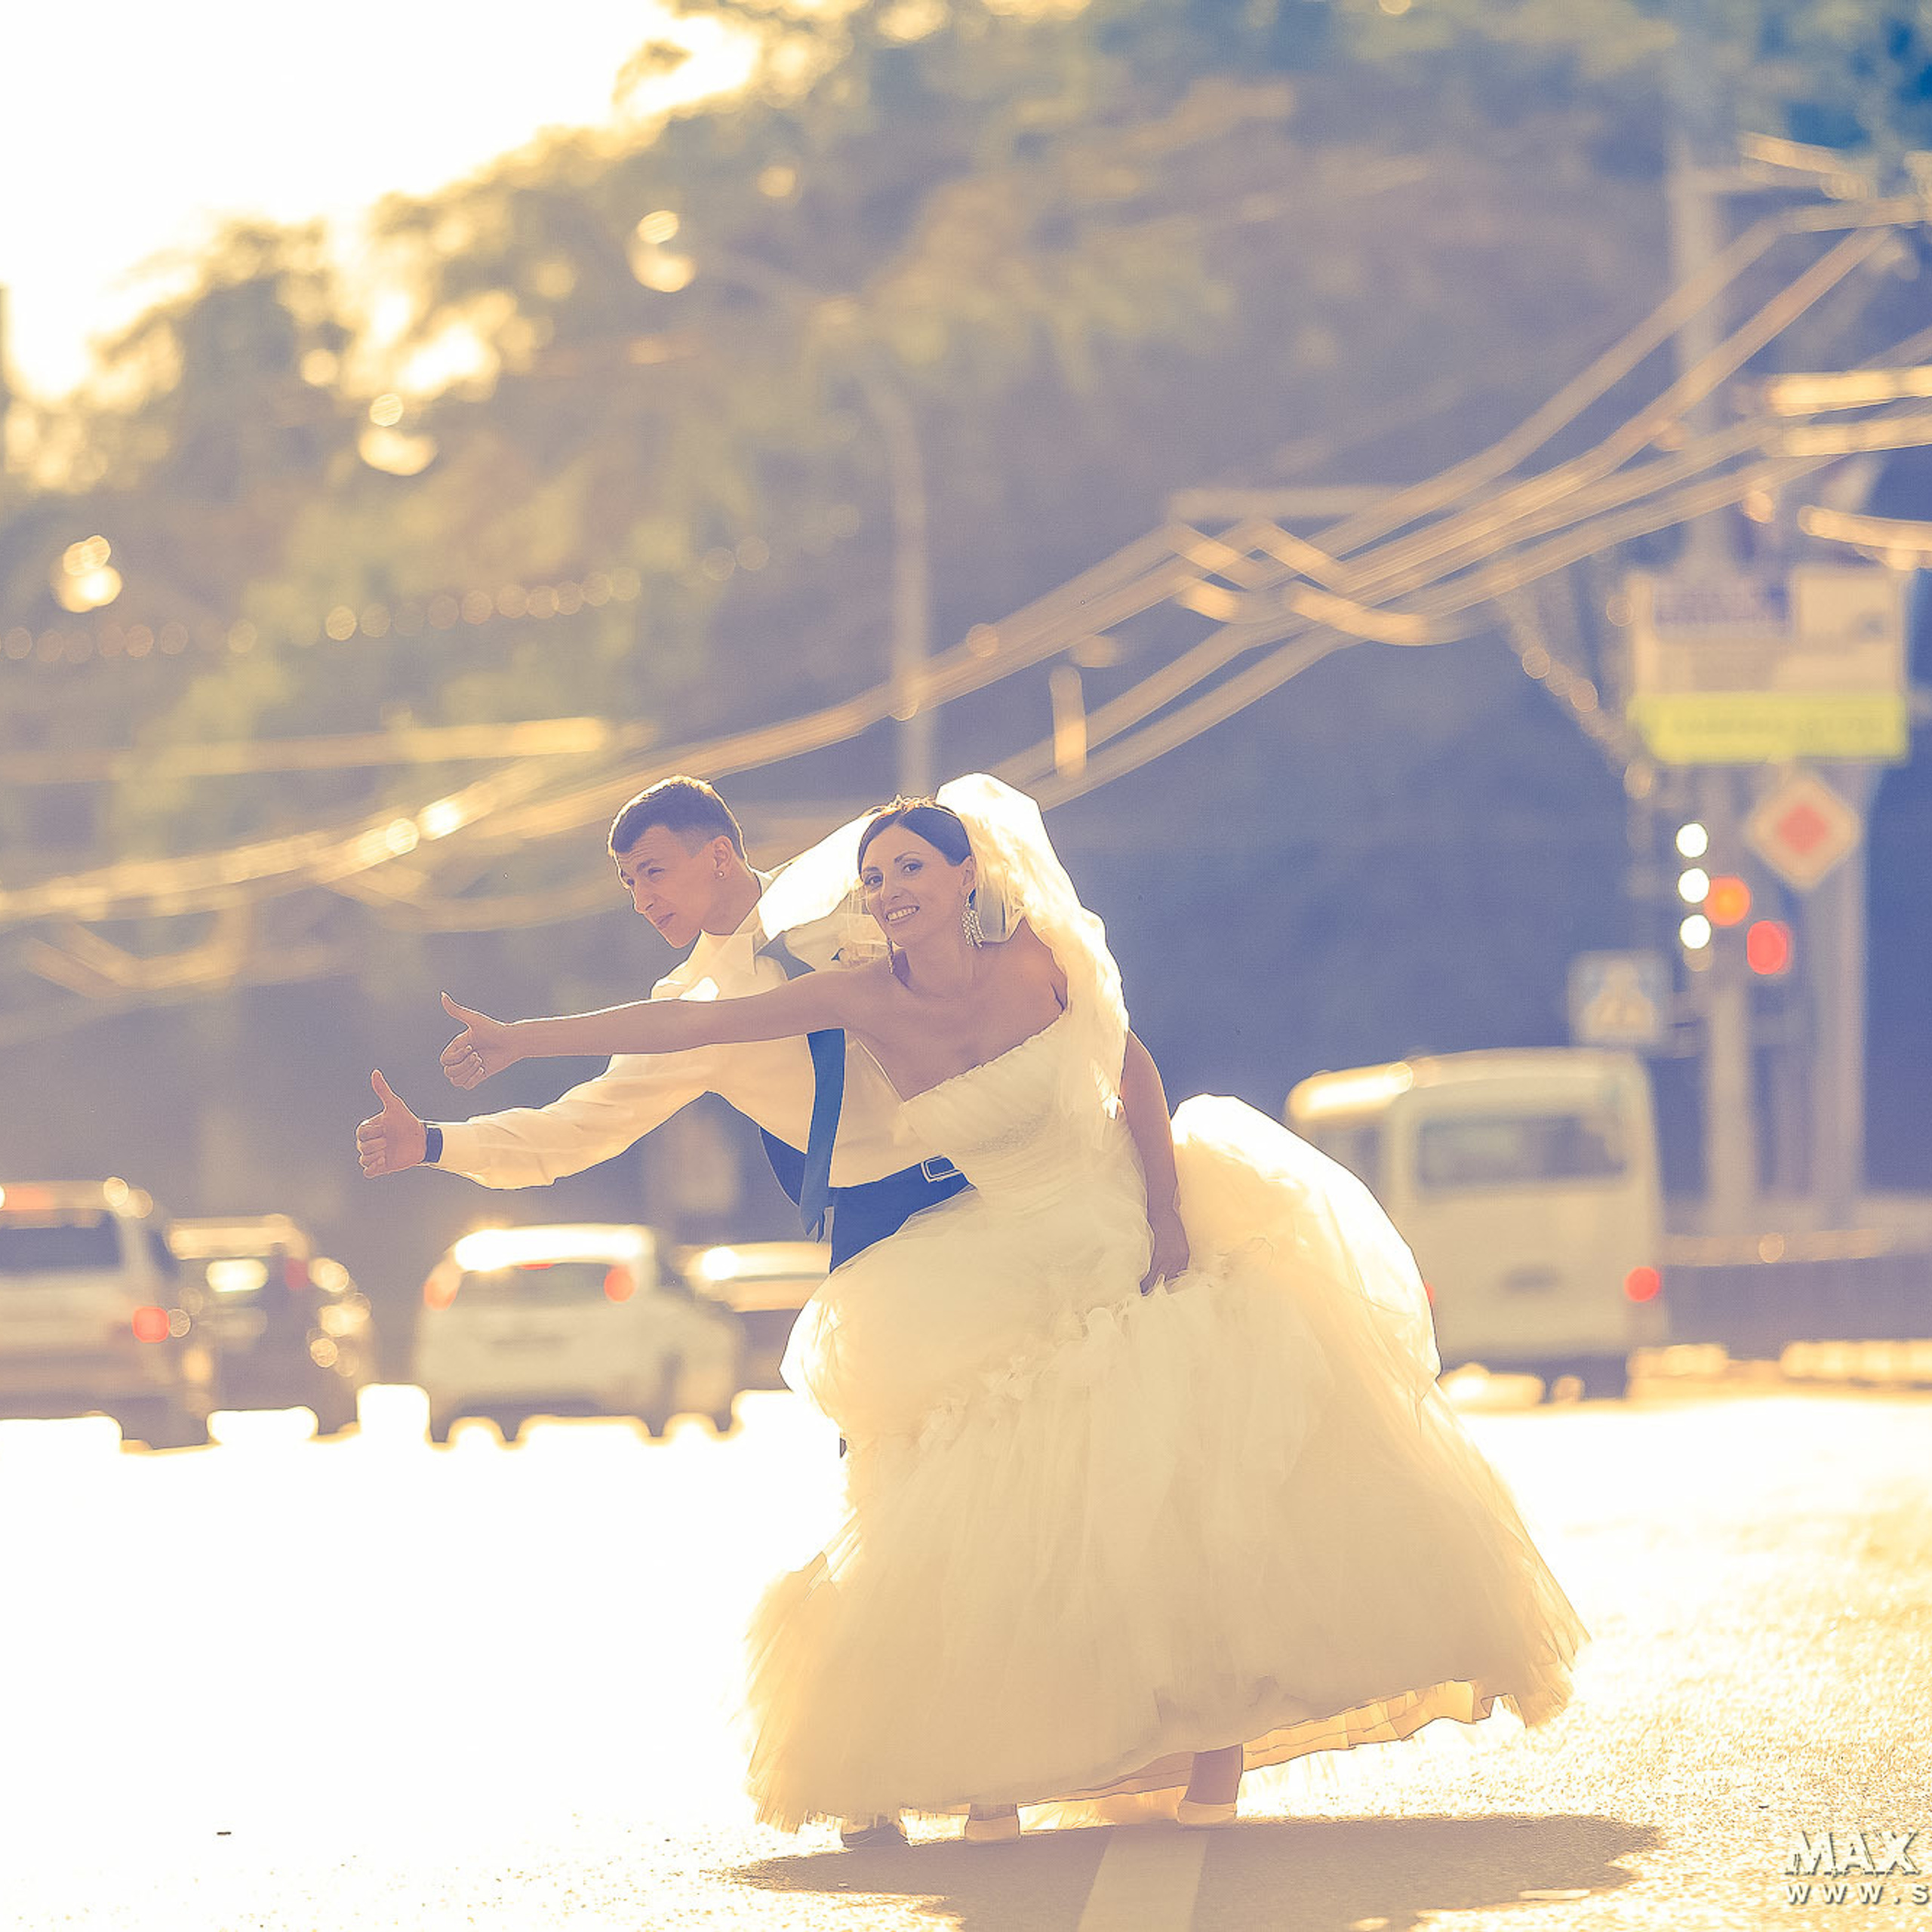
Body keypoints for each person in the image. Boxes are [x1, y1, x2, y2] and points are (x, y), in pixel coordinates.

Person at [434, 774, 1588, 1843]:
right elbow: (652, 1054)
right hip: (962, 1242)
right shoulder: (827, 989)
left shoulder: (994, 946)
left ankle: (1203, 1745)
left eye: (911, 873)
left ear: (964, 877)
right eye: (876, 876)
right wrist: (500, 1068)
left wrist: (1170, 1215)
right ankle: (974, 1759)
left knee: (1178, 1474)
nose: (887, 891)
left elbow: (1126, 1060)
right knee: (967, 1505)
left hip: (1110, 1205)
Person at [355, 776, 968, 1269]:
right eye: (628, 882)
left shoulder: (844, 885)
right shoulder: (684, 1005)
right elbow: (573, 1131)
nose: (641, 899)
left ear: (720, 856)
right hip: (880, 1217)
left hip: (988, 1161)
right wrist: (434, 1142)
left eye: (653, 871)